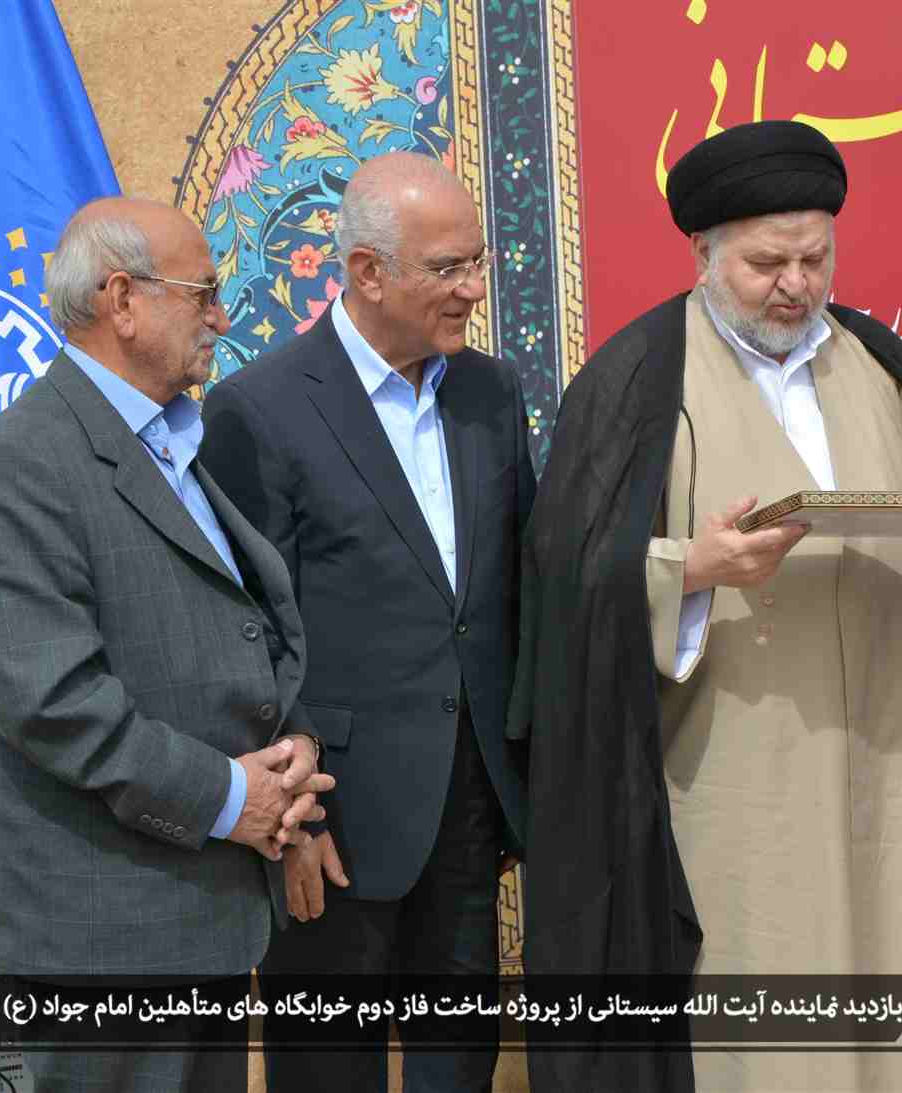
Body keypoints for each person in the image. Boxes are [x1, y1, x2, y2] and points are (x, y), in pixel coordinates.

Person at [507, 119, 902, 1093]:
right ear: (704, 255)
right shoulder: (638, 380)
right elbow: (566, 585)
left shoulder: (867, 358)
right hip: (736, 785)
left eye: (814, 258)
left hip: (883, 764)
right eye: (766, 264)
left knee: (893, 1000)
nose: (795, 284)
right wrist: (693, 567)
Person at [0, 197, 332, 1092]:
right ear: (122, 300)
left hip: (205, 918)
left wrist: (292, 750)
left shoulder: (175, 440)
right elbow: (55, 703)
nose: (222, 318)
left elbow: (241, 626)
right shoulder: (24, 461)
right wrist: (232, 797)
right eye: (204, 293)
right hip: (106, 943)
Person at [199, 151, 535, 1093]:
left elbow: (523, 580)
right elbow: (245, 632)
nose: (473, 289)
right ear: (367, 272)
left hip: (468, 813)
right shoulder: (258, 411)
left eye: (478, 262)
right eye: (448, 268)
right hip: (332, 822)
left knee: (458, 1068)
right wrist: (292, 818)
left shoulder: (491, 394)